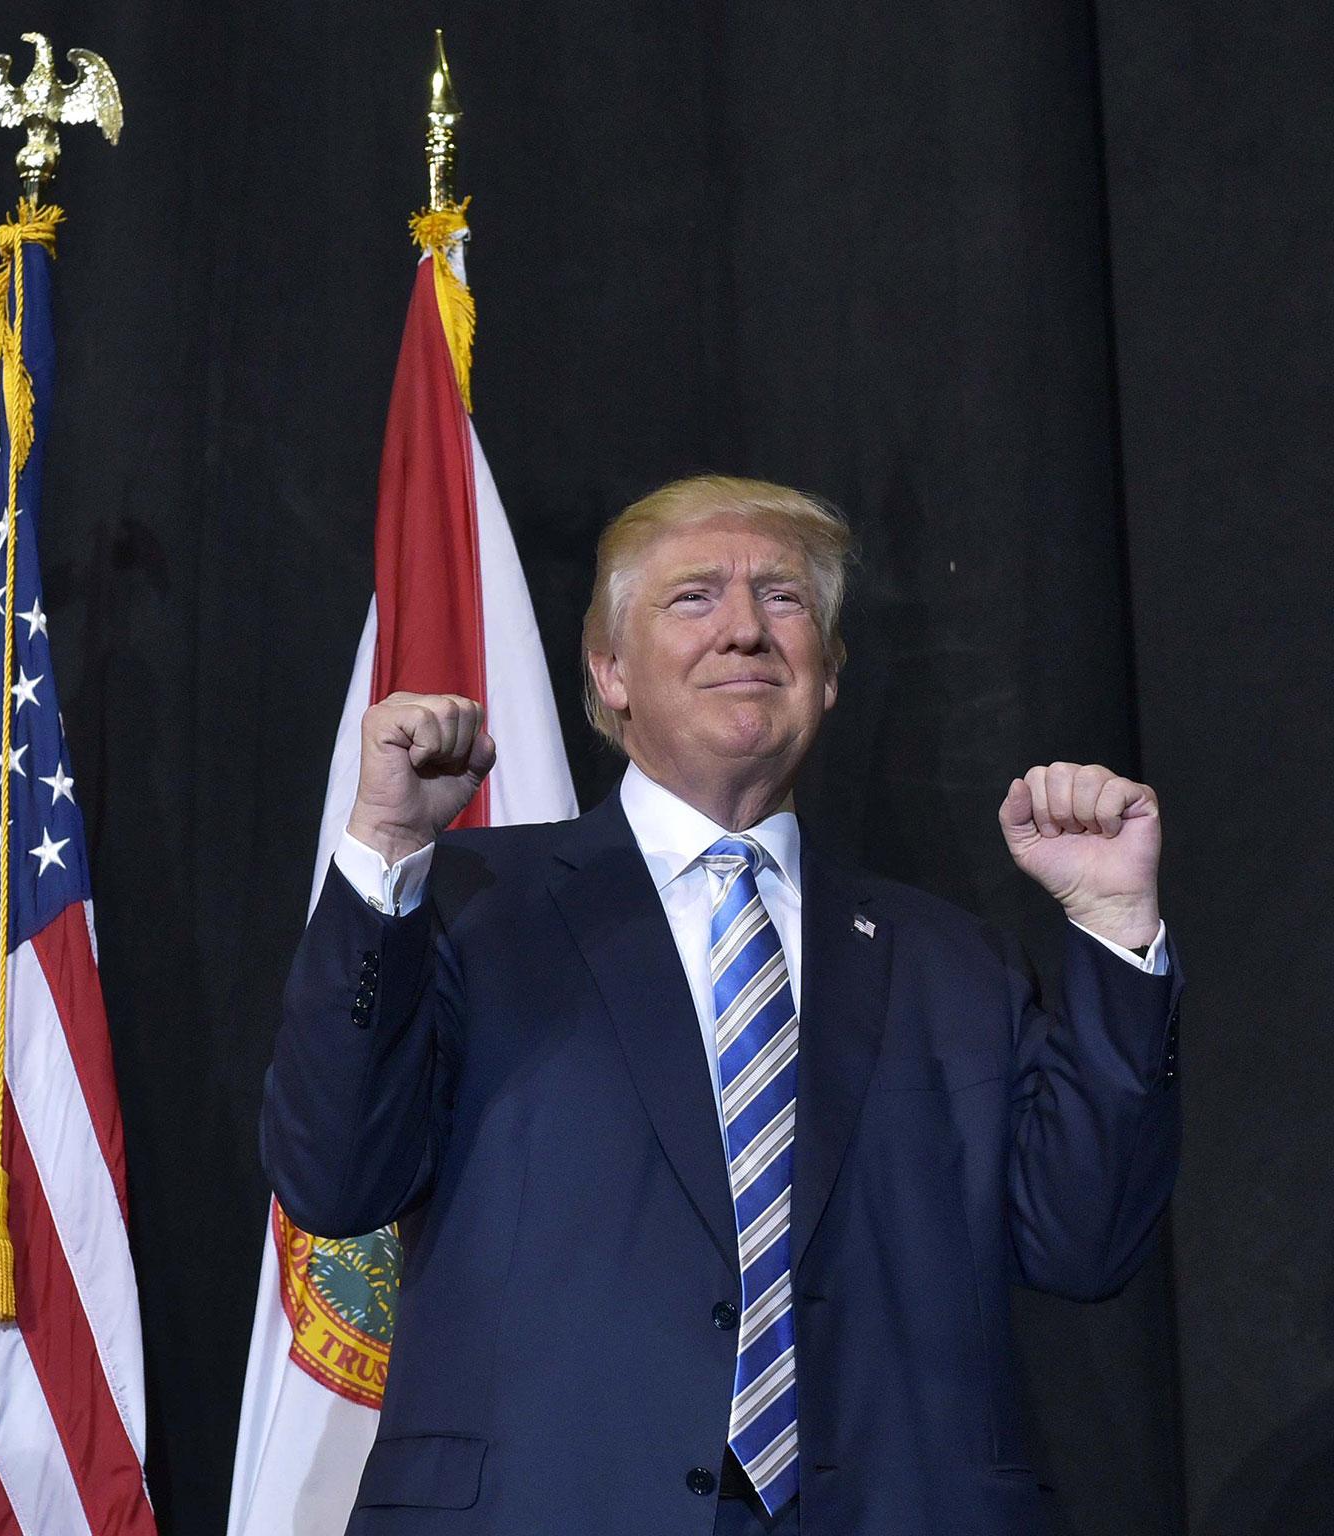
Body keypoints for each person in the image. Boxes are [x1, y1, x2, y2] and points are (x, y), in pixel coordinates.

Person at [262, 476, 1179, 1535]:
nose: (743, 628)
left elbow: (1086, 1243)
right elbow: (331, 1177)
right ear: (607, 673)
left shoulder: (951, 962)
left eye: (783, 599)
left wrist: (1114, 928)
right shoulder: (466, 908)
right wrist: (381, 853)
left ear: (828, 674)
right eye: (692, 597)